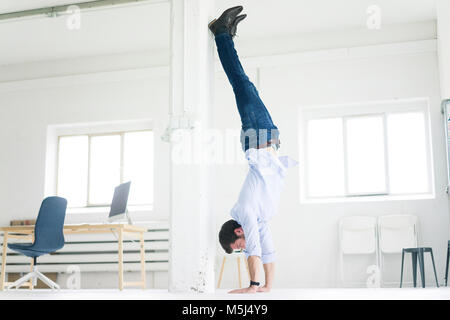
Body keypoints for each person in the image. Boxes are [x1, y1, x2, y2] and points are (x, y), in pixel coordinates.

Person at [209, 6, 297, 294]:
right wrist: (266, 288)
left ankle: (221, 33)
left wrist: (252, 285)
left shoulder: (246, 213)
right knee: (244, 85)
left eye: (238, 245)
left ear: (238, 232)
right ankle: (226, 36)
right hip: (266, 138)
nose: (243, 247)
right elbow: (267, 251)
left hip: (258, 138)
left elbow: (254, 252)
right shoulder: (257, 220)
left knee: (241, 83)